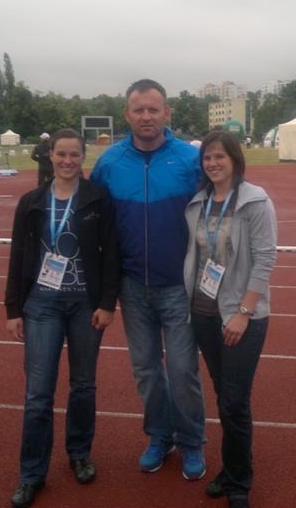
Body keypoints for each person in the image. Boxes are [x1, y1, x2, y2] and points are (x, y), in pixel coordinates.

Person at [89, 78, 207, 481]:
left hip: (179, 286)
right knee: (145, 370)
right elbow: (95, 224)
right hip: (133, 288)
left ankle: (192, 441)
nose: (146, 117)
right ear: (127, 115)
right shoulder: (108, 163)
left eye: (153, 109)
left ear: (167, 113)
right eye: (138, 110)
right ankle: (160, 436)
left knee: (182, 370)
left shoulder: (191, 161)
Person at [4, 128, 120, 508]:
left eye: (74, 155)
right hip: (41, 305)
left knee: (84, 386)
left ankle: (79, 453)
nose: (68, 161)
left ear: (83, 157)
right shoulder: (32, 202)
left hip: (85, 304)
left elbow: (111, 255)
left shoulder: (98, 199)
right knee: (38, 394)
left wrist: (107, 303)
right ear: (49, 156)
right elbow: (19, 256)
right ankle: (31, 473)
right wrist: (13, 309)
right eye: (61, 154)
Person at [183, 131, 277, 508]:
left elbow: (265, 260)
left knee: (235, 401)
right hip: (204, 313)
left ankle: (239, 482)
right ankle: (233, 467)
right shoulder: (198, 203)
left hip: (241, 316)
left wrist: (243, 313)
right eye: (207, 158)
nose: (213, 163)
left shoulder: (255, 202)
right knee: (224, 397)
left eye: (220, 156)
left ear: (235, 160)